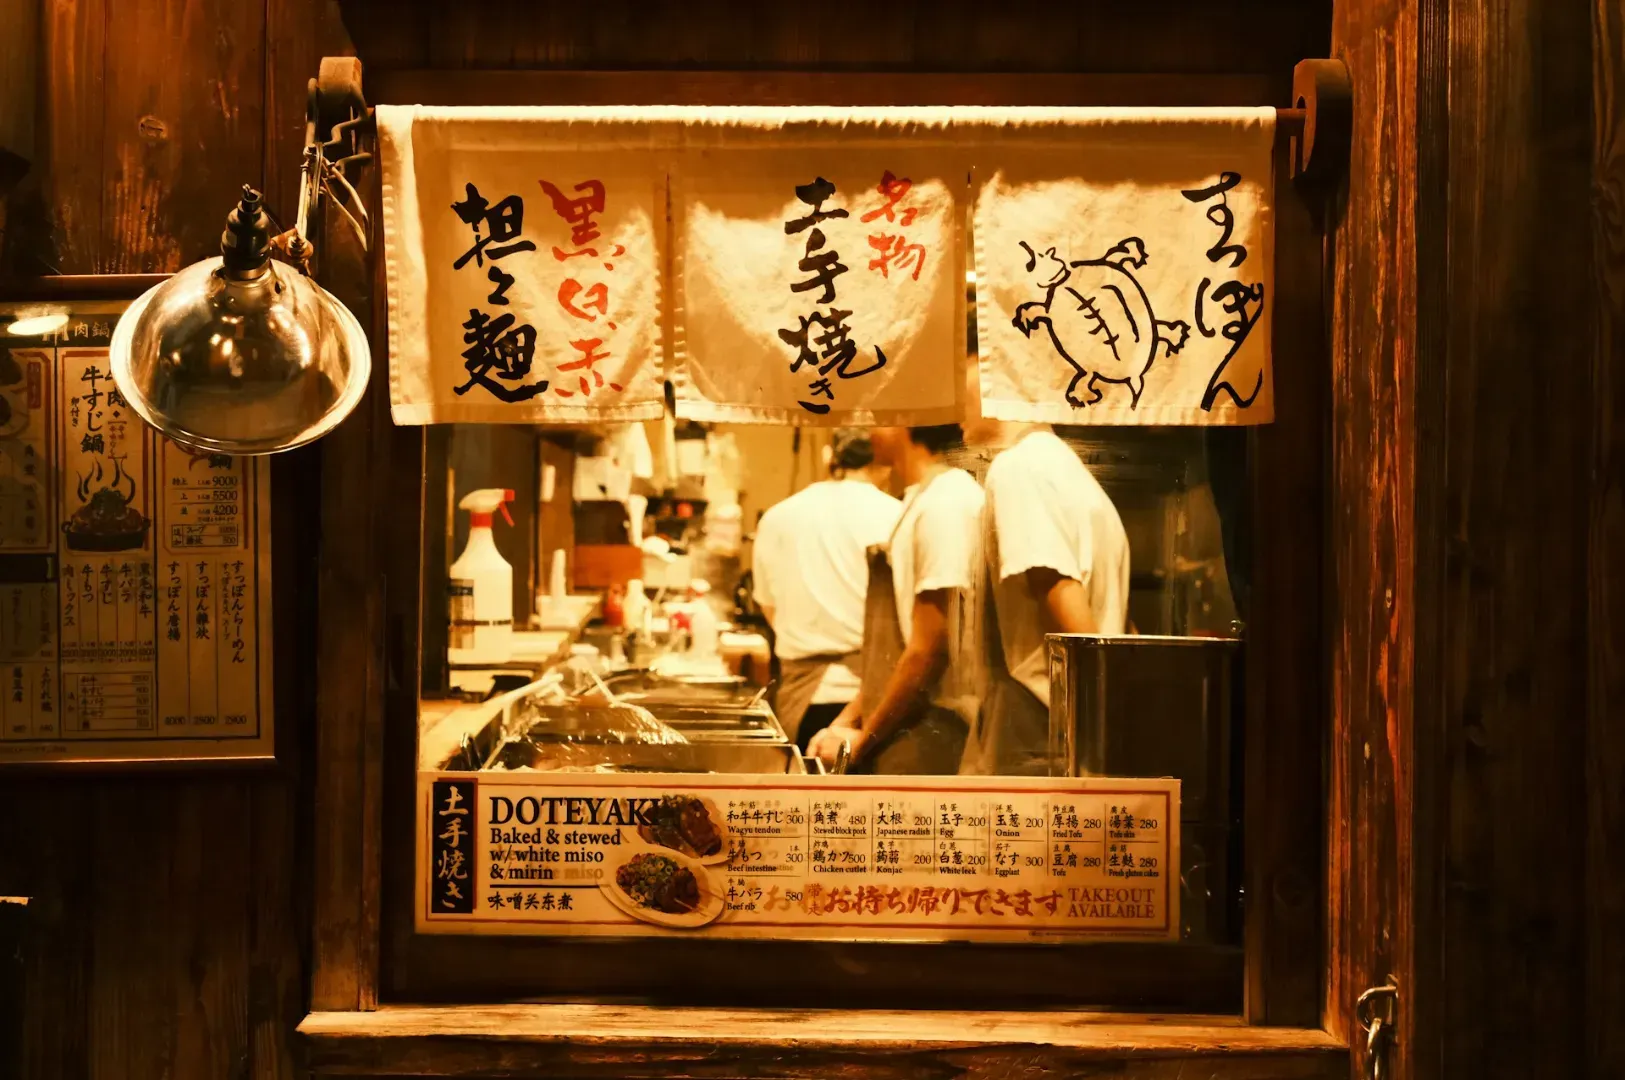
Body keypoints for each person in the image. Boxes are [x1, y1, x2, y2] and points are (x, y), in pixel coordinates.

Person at [807, 425, 984, 774]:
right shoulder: (921, 498)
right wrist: (846, 720)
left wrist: (861, 742)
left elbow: (930, 648)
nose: (868, 426)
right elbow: (901, 649)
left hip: (941, 727)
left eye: (879, 415)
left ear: (906, 421)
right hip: (914, 720)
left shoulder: (946, 503)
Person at [962, 417, 1131, 775]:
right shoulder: (1073, 472)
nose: (959, 407)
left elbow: (1055, 585)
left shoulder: (1018, 468)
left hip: (1041, 724)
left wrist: (1103, 711)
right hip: (1075, 722)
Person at [752, 429, 900, 751]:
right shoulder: (896, 515)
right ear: (885, 462)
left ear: (828, 456)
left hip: (803, 699)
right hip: (873, 699)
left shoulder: (778, 516)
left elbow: (770, 607)